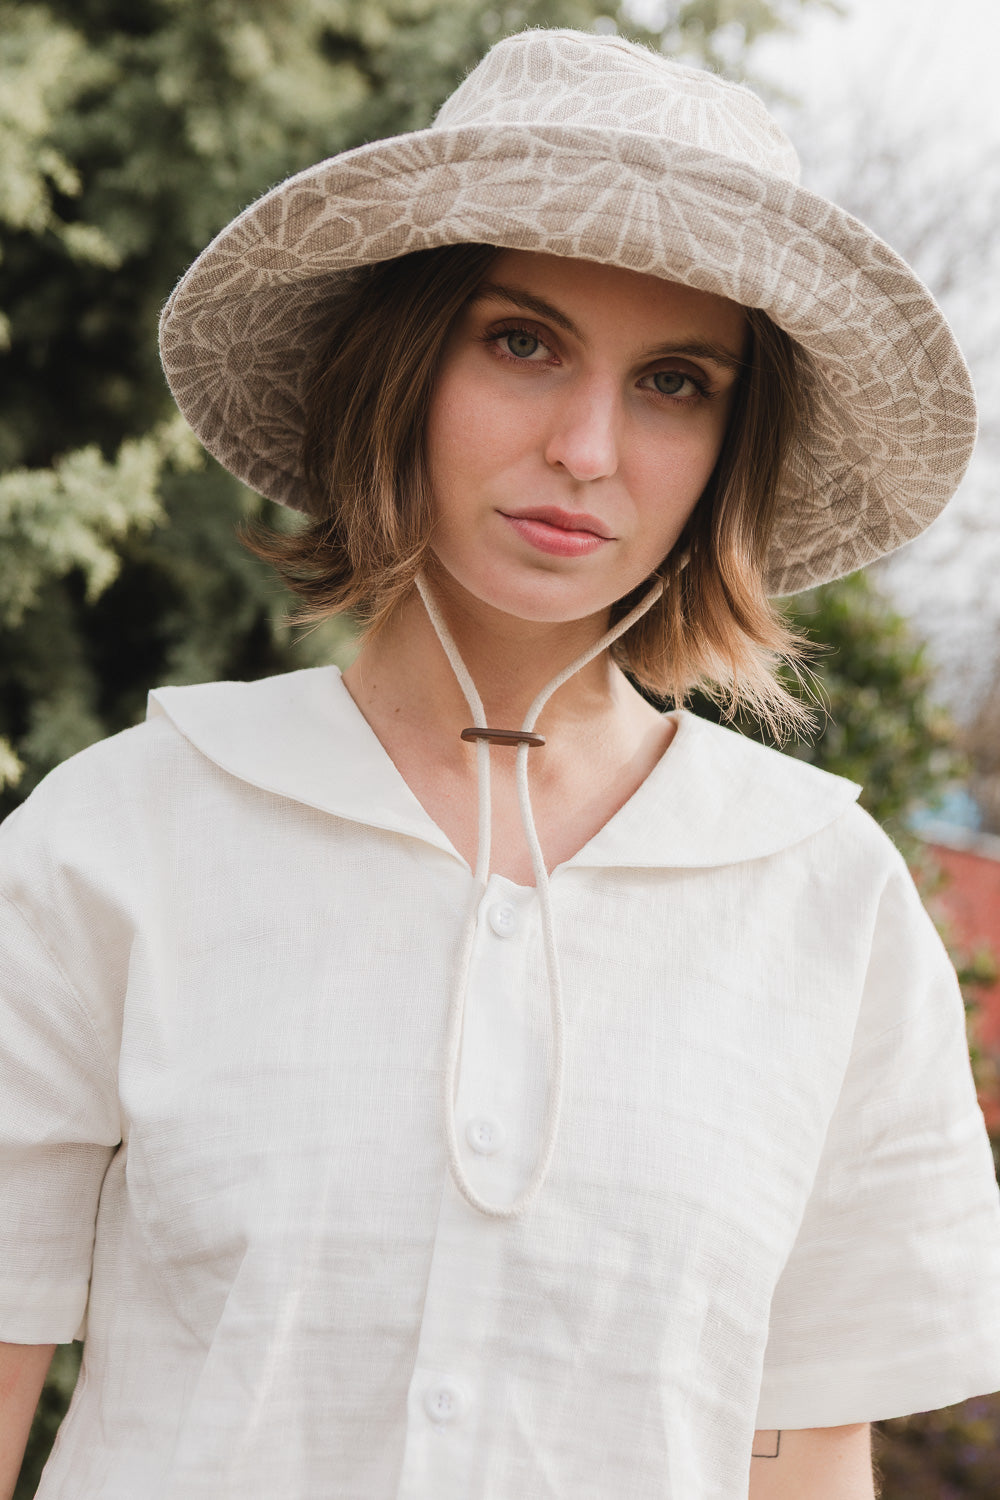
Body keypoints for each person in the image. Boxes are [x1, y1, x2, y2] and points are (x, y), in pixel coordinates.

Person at [2, 26, 999, 1500]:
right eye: (521, 342)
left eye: (676, 382)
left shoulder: (825, 905)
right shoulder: (120, 839)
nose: (589, 448)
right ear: (398, 365)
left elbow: (801, 1456)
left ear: (734, 444)